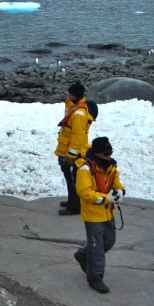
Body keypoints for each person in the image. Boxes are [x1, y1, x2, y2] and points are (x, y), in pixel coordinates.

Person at [73, 136, 125, 294]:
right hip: (93, 215)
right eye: (106, 154)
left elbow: (116, 183)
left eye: (110, 153)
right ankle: (95, 277)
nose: (109, 156)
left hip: (108, 213)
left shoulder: (111, 167)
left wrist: (120, 191)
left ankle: (83, 255)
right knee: (96, 248)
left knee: (109, 242)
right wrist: (106, 198)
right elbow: (83, 192)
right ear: (97, 154)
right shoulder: (85, 169)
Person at [55, 81, 95, 215]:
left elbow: (77, 137)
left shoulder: (79, 114)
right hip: (67, 148)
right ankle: (72, 200)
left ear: (73, 95)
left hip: (72, 152)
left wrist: (70, 155)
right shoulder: (74, 107)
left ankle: (75, 206)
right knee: (69, 177)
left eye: (69, 93)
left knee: (73, 178)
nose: (67, 95)